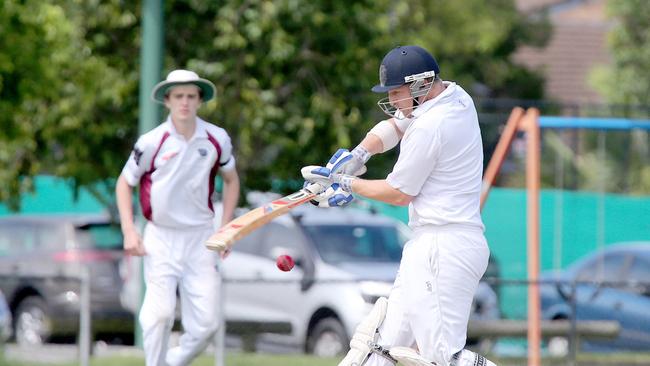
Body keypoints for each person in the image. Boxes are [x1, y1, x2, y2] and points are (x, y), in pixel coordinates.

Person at [302, 45, 496, 366]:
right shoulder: (456, 96)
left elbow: (398, 193)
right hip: (431, 245)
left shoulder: (432, 126)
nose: (391, 101)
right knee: (380, 347)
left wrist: (346, 184)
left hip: (444, 248)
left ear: (420, 84)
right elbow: (395, 125)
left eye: (396, 91)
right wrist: (359, 155)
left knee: (439, 358)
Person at [115, 69, 240, 366]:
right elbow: (124, 183)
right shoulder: (151, 142)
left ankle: (173, 362)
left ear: (199, 100)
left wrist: (227, 228)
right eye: (179, 96)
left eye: (191, 96)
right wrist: (129, 230)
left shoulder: (216, 138)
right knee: (159, 315)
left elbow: (232, 180)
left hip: (201, 238)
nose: (185, 102)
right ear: (168, 100)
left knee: (207, 324)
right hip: (160, 236)